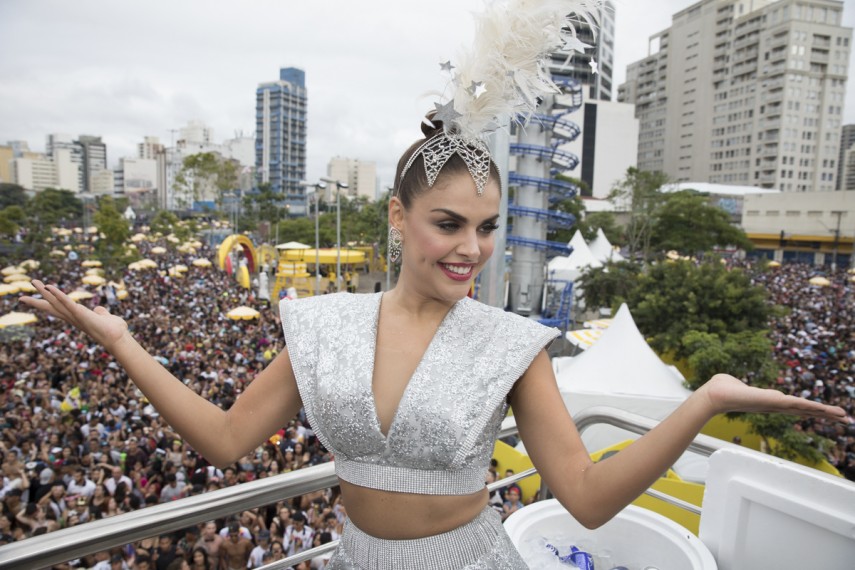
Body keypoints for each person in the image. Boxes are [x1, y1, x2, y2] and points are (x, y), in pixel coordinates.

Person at [20, 14, 848, 570]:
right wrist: (122, 343)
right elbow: (228, 441)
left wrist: (702, 401)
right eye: (448, 223)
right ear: (397, 216)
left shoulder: (510, 343)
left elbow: (588, 500)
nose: (471, 249)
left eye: (487, 228)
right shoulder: (322, 323)